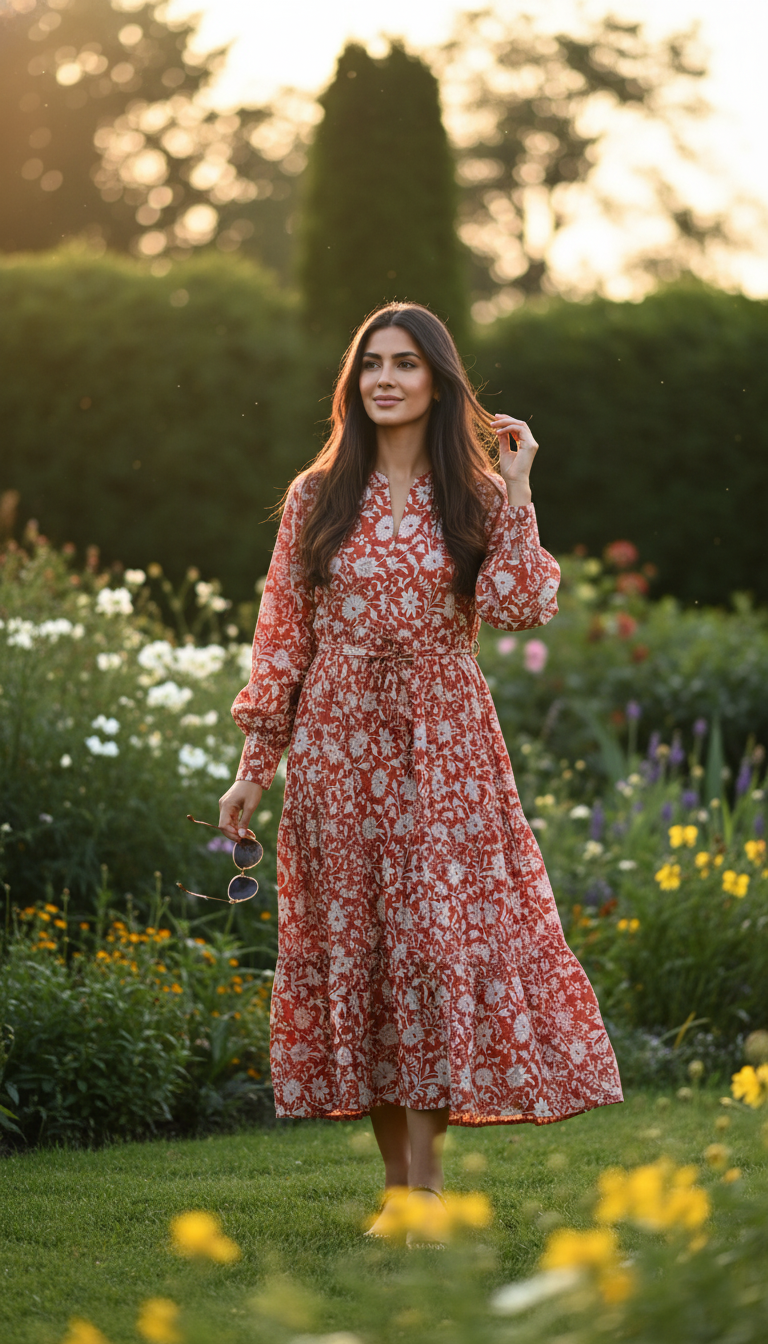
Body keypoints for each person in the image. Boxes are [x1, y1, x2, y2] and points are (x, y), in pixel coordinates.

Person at [218, 302, 623, 1241]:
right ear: (353, 383)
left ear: (439, 381)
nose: (386, 379)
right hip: (339, 745)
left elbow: (520, 607)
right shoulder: (316, 496)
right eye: (372, 364)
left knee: (433, 949)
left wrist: (518, 489)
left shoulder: (474, 493)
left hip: (446, 751)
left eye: (405, 363)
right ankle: (397, 1191)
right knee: (365, 950)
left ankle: (429, 1191)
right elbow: (282, 636)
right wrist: (254, 768)